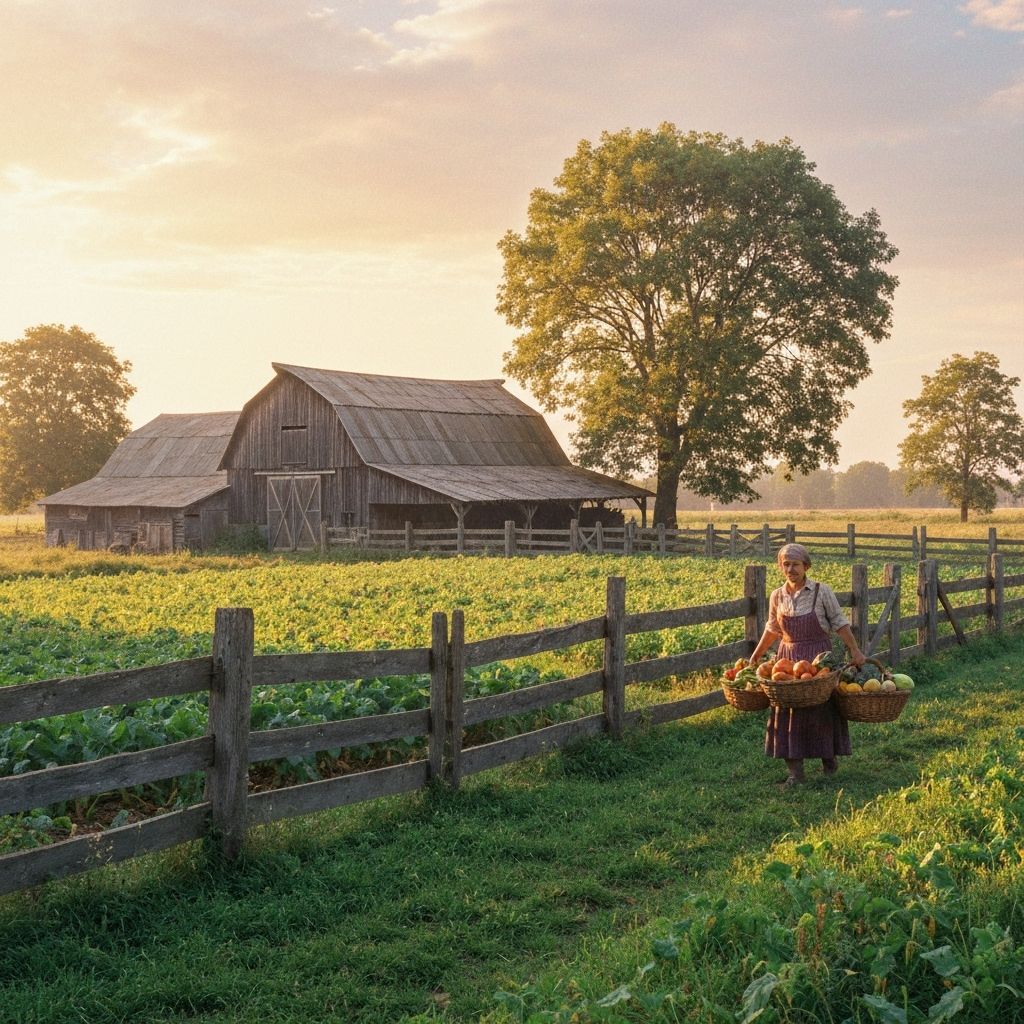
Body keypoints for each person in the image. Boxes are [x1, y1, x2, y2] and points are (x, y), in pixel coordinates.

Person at [748, 543, 866, 786]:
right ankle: (795, 771)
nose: (791, 569)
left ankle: (828, 760)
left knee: (820, 710)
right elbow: (772, 629)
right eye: (786, 564)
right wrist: (756, 655)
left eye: (796, 564)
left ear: (806, 566)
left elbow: (839, 623)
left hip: (817, 659)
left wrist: (855, 650)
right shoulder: (777, 595)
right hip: (786, 660)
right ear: (780, 567)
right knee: (787, 712)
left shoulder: (821, 591)